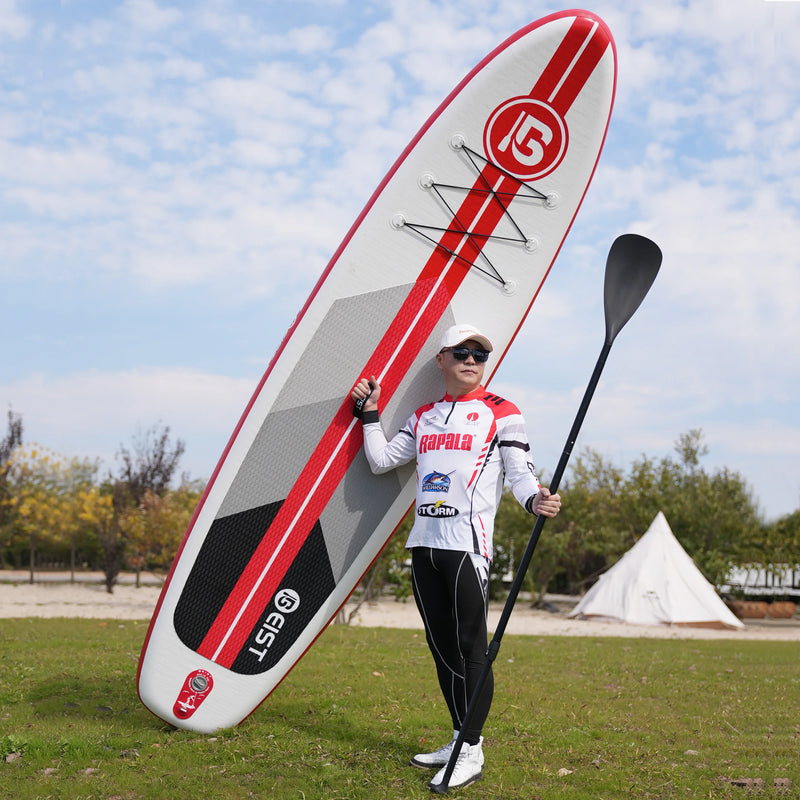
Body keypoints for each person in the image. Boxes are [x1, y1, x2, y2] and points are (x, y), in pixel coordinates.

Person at [350, 323, 561, 790]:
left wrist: (535, 500)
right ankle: (458, 738)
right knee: (441, 647)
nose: (471, 359)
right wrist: (369, 415)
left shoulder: (502, 412)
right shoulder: (424, 416)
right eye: (461, 352)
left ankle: (472, 750)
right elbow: (381, 461)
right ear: (441, 360)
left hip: (466, 545)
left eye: (479, 354)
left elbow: (520, 472)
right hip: (423, 545)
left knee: (471, 648)